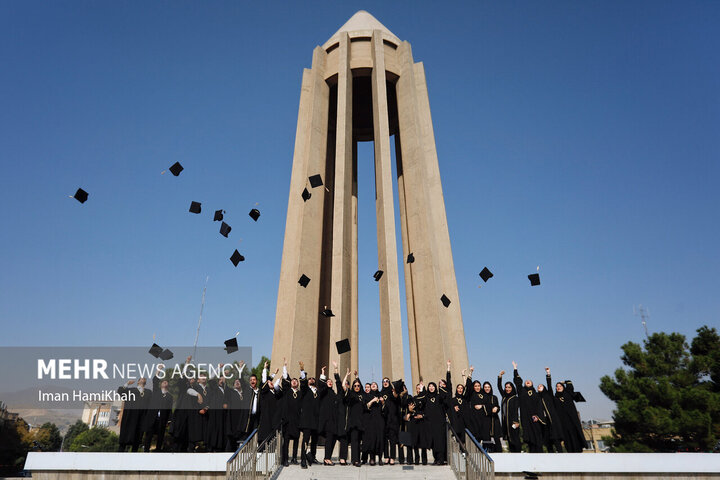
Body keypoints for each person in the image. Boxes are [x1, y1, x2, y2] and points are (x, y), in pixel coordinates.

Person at [550, 368, 587, 453]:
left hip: (572, 420)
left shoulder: (568, 394)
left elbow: (570, 384)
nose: (558, 387)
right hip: (563, 422)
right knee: (567, 437)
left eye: (560, 386)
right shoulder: (555, 398)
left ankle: (578, 450)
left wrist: (564, 382)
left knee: (575, 435)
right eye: (557, 387)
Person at [513, 361, 546, 453]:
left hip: (535, 417)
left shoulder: (536, 394)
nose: (527, 381)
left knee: (537, 435)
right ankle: (531, 451)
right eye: (526, 381)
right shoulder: (522, 391)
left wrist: (538, 416)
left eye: (529, 381)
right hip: (525, 417)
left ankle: (539, 452)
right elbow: (517, 382)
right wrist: (515, 369)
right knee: (529, 436)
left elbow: (540, 405)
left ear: (532, 384)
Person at [141, 364, 173, 452]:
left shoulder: (169, 396)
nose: (165, 382)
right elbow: (155, 380)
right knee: (149, 434)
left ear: (168, 386)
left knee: (160, 435)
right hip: (152, 417)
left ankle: (158, 450)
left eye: (166, 382)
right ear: (161, 385)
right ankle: (146, 450)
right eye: (163, 382)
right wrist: (158, 370)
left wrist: (169, 420)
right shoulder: (156, 391)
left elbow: (170, 409)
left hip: (162, 419)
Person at [118, 377, 151, 452]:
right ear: (138, 382)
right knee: (125, 437)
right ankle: (119, 456)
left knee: (137, 439)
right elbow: (120, 391)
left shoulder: (148, 392)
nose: (143, 379)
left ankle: (134, 458)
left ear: (145, 383)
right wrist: (127, 384)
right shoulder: (131, 390)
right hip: (130, 417)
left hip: (141, 418)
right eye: (141, 379)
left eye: (144, 379)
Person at [298, 361, 320, 468]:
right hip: (307, 420)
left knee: (315, 440)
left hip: (316, 421)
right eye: (309, 379)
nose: (311, 380)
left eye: (313, 379)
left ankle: (312, 456)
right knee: (306, 440)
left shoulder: (318, 392)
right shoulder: (305, 390)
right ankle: (303, 459)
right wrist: (302, 371)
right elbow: (302, 383)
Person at [281, 359, 303, 466]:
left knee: (296, 441)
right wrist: (285, 366)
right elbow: (285, 378)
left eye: (296, 381)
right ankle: (285, 459)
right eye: (292, 381)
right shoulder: (287, 392)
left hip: (297, 421)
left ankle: (294, 458)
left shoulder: (300, 394)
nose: (294, 381)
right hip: (288, 422)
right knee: (286, 442)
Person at [537, 367, 564, 452]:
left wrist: (548, 373)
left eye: (541, 386)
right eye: (538, 387)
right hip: (544, 421)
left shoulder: (548, 394)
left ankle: (561, 454)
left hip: (552, 419)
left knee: (556, 439)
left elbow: (549, 384)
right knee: (547, 441)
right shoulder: (537, 397)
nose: (539, 387)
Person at [361, 381, 385, 465]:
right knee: (372, 439)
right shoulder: (367, 396)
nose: (373, 385)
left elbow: (385, 410)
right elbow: (365, 407)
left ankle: (380, 458)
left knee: (380, 439)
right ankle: (372, 458)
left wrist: (382, 402)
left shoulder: (381, 396)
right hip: (371, 421)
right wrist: (372, 400)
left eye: (375, 384)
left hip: (380, 421)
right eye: (372, 385)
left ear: (377, 387)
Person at [497, 370, 520, 452]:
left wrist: (516, 422)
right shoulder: (504, 397)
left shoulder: (514, 398)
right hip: (505, 422)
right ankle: (513, 454)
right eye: (506, 387)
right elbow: (499, 387)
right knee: (509, 439)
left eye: (509, 387)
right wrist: (500, 376)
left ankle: (518, 454)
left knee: (515, 438)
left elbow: (515, 411)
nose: (507, 389)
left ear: (512, 388)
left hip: (513, 422)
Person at [332, 364, 351, 465]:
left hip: (345, 420)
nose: (345, 385)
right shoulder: (339, 393)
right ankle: (328, 457)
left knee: (344, 440)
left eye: (347, 384)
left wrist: (346, 378)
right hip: (336, 419)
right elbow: (339, 382)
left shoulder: (349, 395)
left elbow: (344, 386)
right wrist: (336, 368)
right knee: (332, 439)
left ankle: (342, 459)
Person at [424, 381, 447, 464]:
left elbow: (444, 397)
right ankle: (436, 458)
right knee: (433, 441)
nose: (431, 388)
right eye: (429, 386)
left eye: (433, 386)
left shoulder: (438, 397)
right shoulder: (426, 397)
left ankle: (441, 459)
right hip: (430, 423)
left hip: (439, 423)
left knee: (439, 441)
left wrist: (441, 387)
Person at [465, 367, 489, 444]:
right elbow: (468, 385)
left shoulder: (484, 394)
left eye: (478, 386)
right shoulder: (471, 394)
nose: (477, 387)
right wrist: (470, 373)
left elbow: (488, 405)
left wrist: (482, 406)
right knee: (476, 434)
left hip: (483, 417)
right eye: (475, 386)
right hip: (474, 417)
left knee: (484, 434)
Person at [446, 369, 470, 445]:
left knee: (464, 441)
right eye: (458, 388)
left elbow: (467, 387)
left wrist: (464, 375)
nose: (460, 390)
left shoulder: (465, 399)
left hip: (464, 423)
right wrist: (449, 368)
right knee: (457, 440)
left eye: (461, 388)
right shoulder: (453, 400)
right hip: (456, 424)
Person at [380, 377, 400, 465]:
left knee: (392, 439)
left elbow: (397, 398)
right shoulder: (380, 393)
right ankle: (386, 457)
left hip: (392, 419)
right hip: (383, 419)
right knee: (384, 439)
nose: (385, 382)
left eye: (387, 381)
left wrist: (395, 392)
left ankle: (392, 457)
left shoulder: (392, 392)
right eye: (383, 381)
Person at [480, 381, 502, 452]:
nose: (487, 389)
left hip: (494, 419)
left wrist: (497, 408)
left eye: (488, 387)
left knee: (496, 438)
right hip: (485, 420)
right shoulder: (481, 397)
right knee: (486, 438)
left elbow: (498, 406)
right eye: (485, 387)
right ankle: (486, 453)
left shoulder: (494, 397)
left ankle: (499, 453)